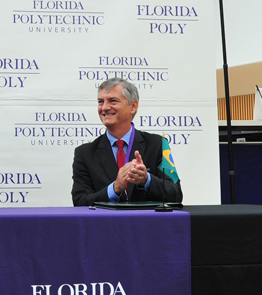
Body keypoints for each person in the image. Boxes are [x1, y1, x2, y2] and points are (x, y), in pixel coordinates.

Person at [71, 77, 182, 206]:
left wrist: (146, 180)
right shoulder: (85, 153)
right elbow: (79, 202)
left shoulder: (158, 145)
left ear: (133, 106)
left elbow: (176, 194)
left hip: (148, 224)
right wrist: (115, 188)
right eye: (100, 102)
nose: (104, 108)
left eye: (112, 101)